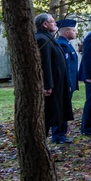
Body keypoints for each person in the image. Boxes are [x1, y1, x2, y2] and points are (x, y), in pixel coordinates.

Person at [35, 14, 73, 145]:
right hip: (52, 86)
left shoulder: (48, 37)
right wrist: (47, 85)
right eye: (52, 22)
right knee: (48, 116)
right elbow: (45, 64)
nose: (55, 24)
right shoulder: (41, 39)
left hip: (57, 83)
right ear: (45, 24)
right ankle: (40, 144)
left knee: (54, 115)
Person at [54, 19, 80, 143]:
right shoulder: (62, 44)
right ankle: (58, 135)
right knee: (61, 108)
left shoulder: (67, 44)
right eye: (74, 30)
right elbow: (66, 67)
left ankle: (62, 134)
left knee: (65, 107)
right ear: (67, 32)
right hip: (65, 83)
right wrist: (68, 83)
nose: (76, 33)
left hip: (69, 82)